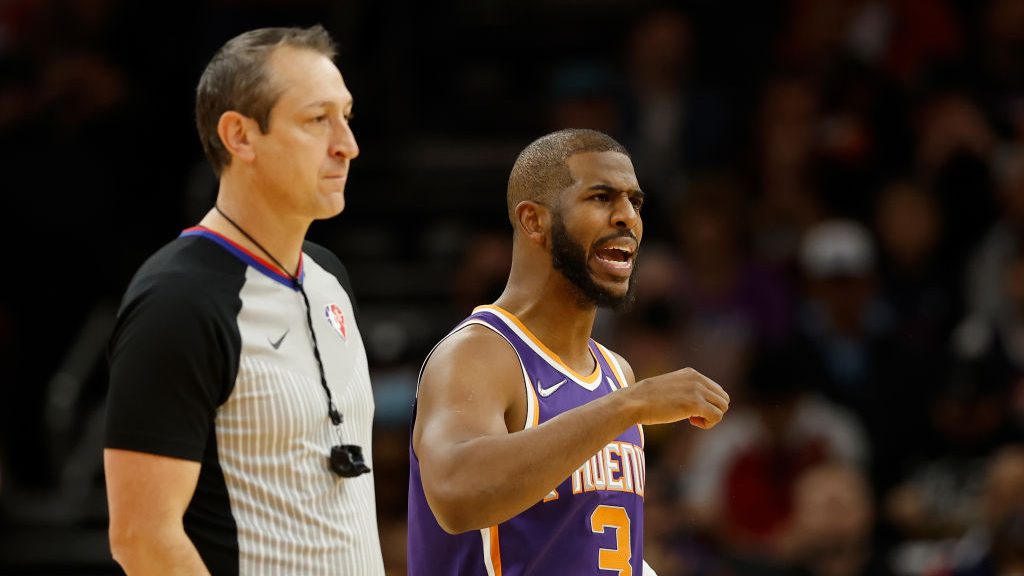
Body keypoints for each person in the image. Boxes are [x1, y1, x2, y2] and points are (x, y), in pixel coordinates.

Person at [102, 25, 385, 574]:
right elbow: (141, 538)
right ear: (240, 136)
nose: (347, 145)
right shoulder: (177, 300)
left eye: (346, 116)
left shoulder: (329, 278)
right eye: (316, 119)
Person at [407, 128, 731, 575]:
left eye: (635, 203)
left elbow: (588, 545)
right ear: (533, 221)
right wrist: (629, 406)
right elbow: (456, 493)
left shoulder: (617, 372)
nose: (627, 218)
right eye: (601, 198)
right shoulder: (481, 352)